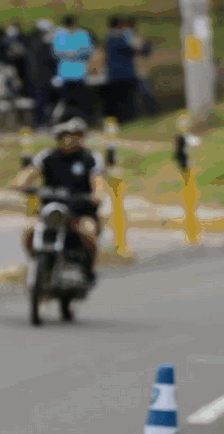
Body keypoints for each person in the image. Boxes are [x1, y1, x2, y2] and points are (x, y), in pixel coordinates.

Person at [12, 116, 105, 284]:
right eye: (67, 135)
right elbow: (27, 175)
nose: (71, 139)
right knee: (29, 231)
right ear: (59, 137)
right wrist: (22, 185)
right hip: (51, 211)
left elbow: (98, 184)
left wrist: (96, 196)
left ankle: (88, 270)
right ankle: (39, 265)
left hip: (79, 212)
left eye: (76, 135)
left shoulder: (90, 159)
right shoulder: (47, 157)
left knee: (88, 232)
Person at [51, 15, 94, 122]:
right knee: (66, 100)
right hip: (65, 74)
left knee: (81, 100)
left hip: (80, 73)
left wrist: (71, 54)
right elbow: (56, 52)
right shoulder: (59, 35)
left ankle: (83, 120)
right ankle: (65, 120)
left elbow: (88, 52)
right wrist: (75, 53)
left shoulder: (82, 34)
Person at [103, 16, 138, 122]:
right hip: (125, 73)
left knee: (116, 99)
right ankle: (127, 119)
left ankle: (117, 119)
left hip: (113, 73)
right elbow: (133, 50)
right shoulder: (122, 38)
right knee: (127, 99)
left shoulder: (108, 38)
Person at [123, 16, 157, 117]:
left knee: (140, 91)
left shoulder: (135, 36)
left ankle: (147, 110)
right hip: (135, 68)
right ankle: (148, 110)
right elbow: (143, 49)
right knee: (142, 90)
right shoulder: (130, 36)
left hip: (137, 68)